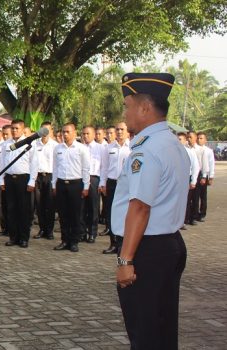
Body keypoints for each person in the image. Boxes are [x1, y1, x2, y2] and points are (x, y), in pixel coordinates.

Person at [113, 72, 188, 349]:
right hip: (168, 244)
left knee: (144, 334)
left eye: (128, 105)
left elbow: (140, 207)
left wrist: (125, 260)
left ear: (144, 108)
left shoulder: (146, 150)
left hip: (146, 250)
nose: (126, 112)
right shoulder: (171, 144)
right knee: (163, 329)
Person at [52, 123, 90, 253]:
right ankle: (64, 240)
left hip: (76, 184)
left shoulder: (81, 148)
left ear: (74, 133)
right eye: (63, 132)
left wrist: (86, 186)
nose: (65, 134)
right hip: (61, 183)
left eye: (68, 132)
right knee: (63, 214)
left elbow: (86, 168)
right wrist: (54, 184)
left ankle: (74, 241)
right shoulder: (57, 148)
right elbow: (55, 168)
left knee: (75, 214)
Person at [0, 119, 36, 248]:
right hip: (9, 178)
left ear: (22, 129)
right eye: (12, 128)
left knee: (24, 210)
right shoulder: (6, 144)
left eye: (17, 128)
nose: (14, 131)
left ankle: (23, 238)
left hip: (23, 179)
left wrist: (32, 181)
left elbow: (34, 164)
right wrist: (1, 179)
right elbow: (2, 163)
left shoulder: (29, 144)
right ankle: (13, 237)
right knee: (11, 209)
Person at [100, 122, 130, 254]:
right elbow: (104, 167)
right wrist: (103, 183)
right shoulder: (109, 147)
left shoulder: (133, 148)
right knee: (111, 213)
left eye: (122, 129)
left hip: (127, 184)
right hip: (112, 183)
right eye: (117, 129)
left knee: (125, 214)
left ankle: (124, 243)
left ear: (127, 131)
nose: (119, 132)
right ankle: (113, 243)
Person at [32, 121, 57, 240]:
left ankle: (49, 230)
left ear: (51, 131)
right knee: (39, 204)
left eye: (47, 130)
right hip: (37, 177)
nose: (45, 132)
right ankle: (42, 229)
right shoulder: (35, 145)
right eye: (43, 130)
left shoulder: (55, 146)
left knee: (50, 205)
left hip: (50, 176)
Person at [80, 126, 105, 243]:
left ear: (94, 134)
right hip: (81, 178)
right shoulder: (79, 147)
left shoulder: (101, 148)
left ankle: (92, 233)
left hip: (94, 178)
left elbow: (104, 167)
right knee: (81, 207)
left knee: (93, 207)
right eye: (84, 134)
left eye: (88, 134)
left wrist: (102, 182)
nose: (85, 136)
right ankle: (82, 232)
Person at [178, 132, 200, 231]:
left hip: (186, 177)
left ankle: (183, 220)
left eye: (180, 139)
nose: (178, 141)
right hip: (175, 179)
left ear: (185, 141)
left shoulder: (189, 152)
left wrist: (193, 181)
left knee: (185, 200)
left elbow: (196, 166)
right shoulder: (172, 151)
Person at [185, 131, 207, 226]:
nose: (189, 139)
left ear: (194, 138)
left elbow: (204, 164)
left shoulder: (200, 150)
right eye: (188, 137)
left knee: (195, 197)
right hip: (188, 174)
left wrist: (204, 176)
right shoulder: (185, 148)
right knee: (187, 198)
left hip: (197, 174)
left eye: (191, 137)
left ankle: (193, 217)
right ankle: (187, 216)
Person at [0, 124, 12, 236]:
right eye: (4, 134)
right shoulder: (0, 146)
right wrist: (1, 180)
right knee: (3, 205)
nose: (5, 136)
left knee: (12, 206)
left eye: (7, 134)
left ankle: (12, 229)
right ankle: (4, 228)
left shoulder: (16, 145)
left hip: (14, 177)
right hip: (3, 177)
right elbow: (0, 164)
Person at [197, 132, 214, 222]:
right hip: (196, 174)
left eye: (201, 138)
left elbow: (211, 164)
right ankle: (194, 213)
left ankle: (202, 213)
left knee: (203, 195)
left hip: (204, 174)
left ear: (205, 140)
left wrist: (211, 176)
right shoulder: (194, 149)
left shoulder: (208, 151)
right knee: (195, 196)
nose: (199, 140)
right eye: (198, 138)